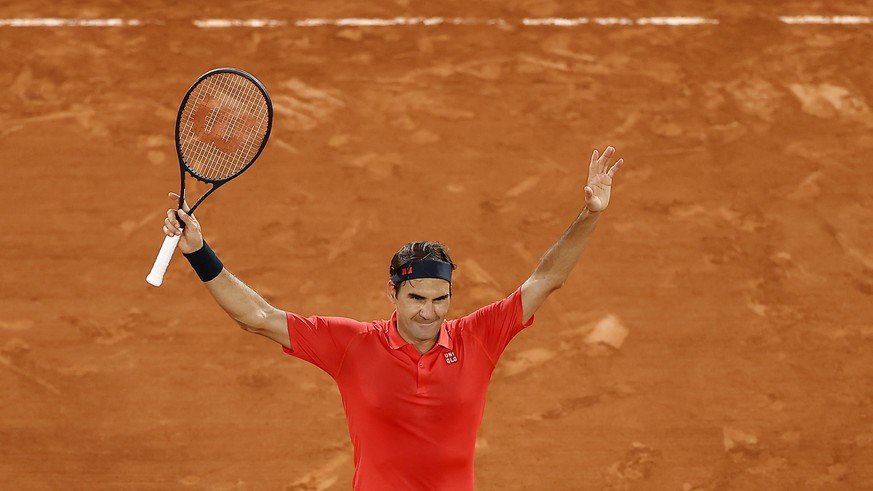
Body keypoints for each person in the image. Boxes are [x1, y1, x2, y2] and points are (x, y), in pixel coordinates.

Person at [162, 146, 624, 491]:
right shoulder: (352, 345)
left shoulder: (478, 337)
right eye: (417, 297)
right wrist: (199, 251)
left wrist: (590, 213)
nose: (429, 311)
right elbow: (257, 317)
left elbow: (546, 279)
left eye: (441, 298)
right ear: (393, 293)